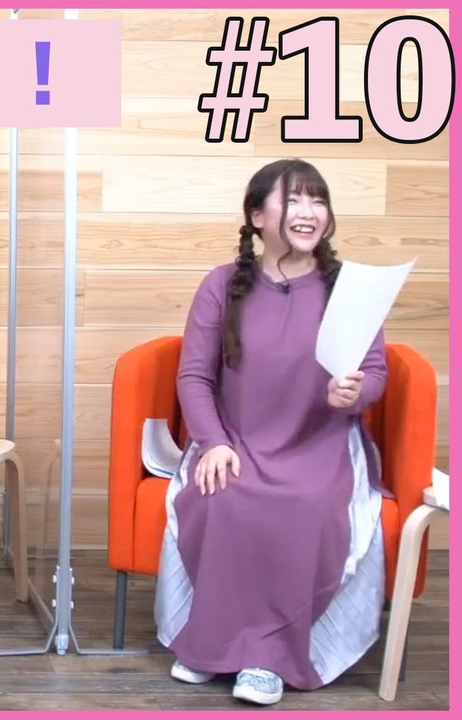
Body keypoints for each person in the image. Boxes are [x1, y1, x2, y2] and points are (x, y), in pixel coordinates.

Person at [154, 158, 389, 706]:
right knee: (223, 496)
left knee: (305, 507)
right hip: (236, 436)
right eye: (294, 199)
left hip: (320, 446)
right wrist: (214, 442)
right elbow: (194, 375)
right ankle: (211, 644)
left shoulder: (349, 288)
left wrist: (356, 393)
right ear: (258, 217)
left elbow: (374, 372)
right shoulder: (222, 285)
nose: (309, 212)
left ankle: (269, 658)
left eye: (318, 200)